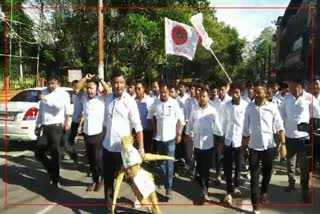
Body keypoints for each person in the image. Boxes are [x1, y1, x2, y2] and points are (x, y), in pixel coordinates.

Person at [102, 72, 144, 214]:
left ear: (125, 84)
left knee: (131, 179)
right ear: (112, 84)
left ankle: (143, 201)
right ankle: (110, 209)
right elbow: (105, 123)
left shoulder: (130, 101)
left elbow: (138, 126)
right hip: (107, 147)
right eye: (115, 82)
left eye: (121, 82)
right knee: (108, 180)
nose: (118, 85)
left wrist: (141, 148)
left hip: (123, 150)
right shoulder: (108, 100)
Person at [243, 81, 285, 214]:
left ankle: (264, 192)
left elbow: (279, 126)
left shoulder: (272, 107)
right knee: (254, 177)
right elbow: (245, 129)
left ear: (265, 93)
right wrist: (244, 147)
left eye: (259, 92)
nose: (256, 94)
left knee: (267, 173)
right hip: (254, 148)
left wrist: (283, 144)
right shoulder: (249, 108)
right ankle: (255, 206)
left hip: (269, 147)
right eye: (255, 91)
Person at [280, 79, 320, 202]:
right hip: (290, 136)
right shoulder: (286, 98)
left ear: (298, 86)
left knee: (304, 166)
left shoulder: (309, 97)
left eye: (291, 86)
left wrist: (313, 128)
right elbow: (281, 115)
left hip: (304, 138)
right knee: (290, 163)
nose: (289, 88)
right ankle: (291, 184)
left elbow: (318, 114)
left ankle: (305, 190)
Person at [147, 81, 184, 201]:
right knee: (162, 165)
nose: (163, 94)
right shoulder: (155, 103)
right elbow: (149, 117)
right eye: (161, 92)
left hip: (171, 139)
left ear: (168, 92)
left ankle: (169, 188)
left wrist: (179, 133)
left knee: (169, 164)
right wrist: (154, 128)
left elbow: (181, 120)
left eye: (165, 92)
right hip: (159, 139)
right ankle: (165, 181)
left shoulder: (174, 103)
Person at [186, 88, 221, 204]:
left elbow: (218, 128)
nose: (202, 98)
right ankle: (203, 186)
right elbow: (190, 124)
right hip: (197, 144)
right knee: (200, 168)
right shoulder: (194, 109)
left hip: (208, 145)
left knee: (206, 169)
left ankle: (205, 193)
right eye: (200, 96)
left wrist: (219, 137)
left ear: (208, 97)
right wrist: (188, 135)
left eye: (204, 96)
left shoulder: (212, 111)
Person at [34, 74, 70, 187]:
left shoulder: (62, 94)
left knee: (55, 153)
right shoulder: (44, 91)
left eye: (52, 83)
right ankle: (51, 169)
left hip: (56, 127)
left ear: (57, 83)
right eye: (48, 83)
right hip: (45, 126)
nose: (50, 86)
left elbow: (58, 106)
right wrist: (37, 124)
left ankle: (55, 179)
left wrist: (46, 99)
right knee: (38, 151)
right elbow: (41, 110)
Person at [75, 73, 107, 191]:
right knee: (91, 160)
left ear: (97, 89)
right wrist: (85, 78)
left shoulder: (101, 98)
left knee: (98, 158)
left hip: (99, 133)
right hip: (87, 133)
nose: (89, 90)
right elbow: (77, 88)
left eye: (91, 88)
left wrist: (101, 80)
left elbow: (108, 91)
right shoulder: (84, 98)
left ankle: (103, 177)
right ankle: (95, 180)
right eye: (88, 88)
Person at [221, 81, 248, 204]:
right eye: (233, 92)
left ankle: (237, 186)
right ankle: (228, 190)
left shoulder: (246, 106)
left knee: (238, 166)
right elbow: (223, 123)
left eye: (237, 92)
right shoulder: (226, 106)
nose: (234, 95)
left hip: (240, 141)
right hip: (228, 140)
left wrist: (247, 140)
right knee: (227, 167)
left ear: (241, 93)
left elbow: (248, 125)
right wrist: (222, 140)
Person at [135, 80, 155, 153]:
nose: (137, 91)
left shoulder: (150, 100)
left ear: (143, 88)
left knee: (147, 151)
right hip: (136, 131)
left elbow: (153, 116)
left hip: (147, 130)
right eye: (136, 89)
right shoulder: (132, 101)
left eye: (139, 89)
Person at [67, 80, 83, 163]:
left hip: (80, 121)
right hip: (74, 120)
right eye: (73, 86)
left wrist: (80, 124)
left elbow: (83, 112)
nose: (75, 88)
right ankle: (74, 155)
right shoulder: (73, 96)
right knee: (71, 140)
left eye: (76, 86)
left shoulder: (82, 97)